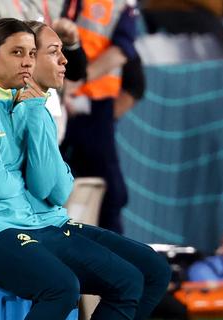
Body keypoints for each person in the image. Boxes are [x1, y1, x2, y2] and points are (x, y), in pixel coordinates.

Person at [0, 18, 170, 320]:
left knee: (138, 277)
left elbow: (56, 189)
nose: (28, 62)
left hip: (32, 224)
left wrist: (33, 119)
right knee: (62, 288)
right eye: (19, 53)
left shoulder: (33, 105)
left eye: (31, 53)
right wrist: (21, 179)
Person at [60, 1, 139, 234]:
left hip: (94, 106)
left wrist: (76, 82)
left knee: (110, 192)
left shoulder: (122, 5)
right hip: (58, 100)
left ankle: (110, 256)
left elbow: (123, 53)